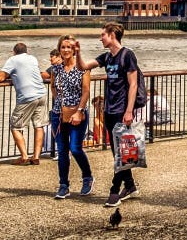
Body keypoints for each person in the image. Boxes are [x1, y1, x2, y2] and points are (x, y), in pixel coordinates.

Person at [76, 22, 142, 207]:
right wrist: (78, 52)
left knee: (121, 153)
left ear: (112, 35)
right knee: (118, 153)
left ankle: (114, 191)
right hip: (109, 110)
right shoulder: (107, 57)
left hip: (122, 111)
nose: (100, 38)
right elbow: (83, 66)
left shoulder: (127, 55)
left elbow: (133, 84)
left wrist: (129, 111)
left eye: (103, 34)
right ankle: (129, 186)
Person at [51, 35, 94, 199]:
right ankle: (63, 185)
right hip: (58, 114)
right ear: (59, 49)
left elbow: (86, 91)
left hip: (78, 112)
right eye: (63, 47)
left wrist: (79, 110)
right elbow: (53, 88)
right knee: (62, 150)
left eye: (69, 47)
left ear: (75, 49)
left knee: (75, 148)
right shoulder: (56, 68)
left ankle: (87, 177)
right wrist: (59, 105)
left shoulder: (82, 67)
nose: (66, 50)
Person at [0, 42, 49, 165]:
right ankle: (36, 157)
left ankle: (24, 156)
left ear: (14, 52)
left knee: (15, 126)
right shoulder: (32, 58)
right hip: (41, 94)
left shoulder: (13, 60)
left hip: (27, 97)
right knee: (39, 125)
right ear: (26, 51)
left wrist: (9, 75)